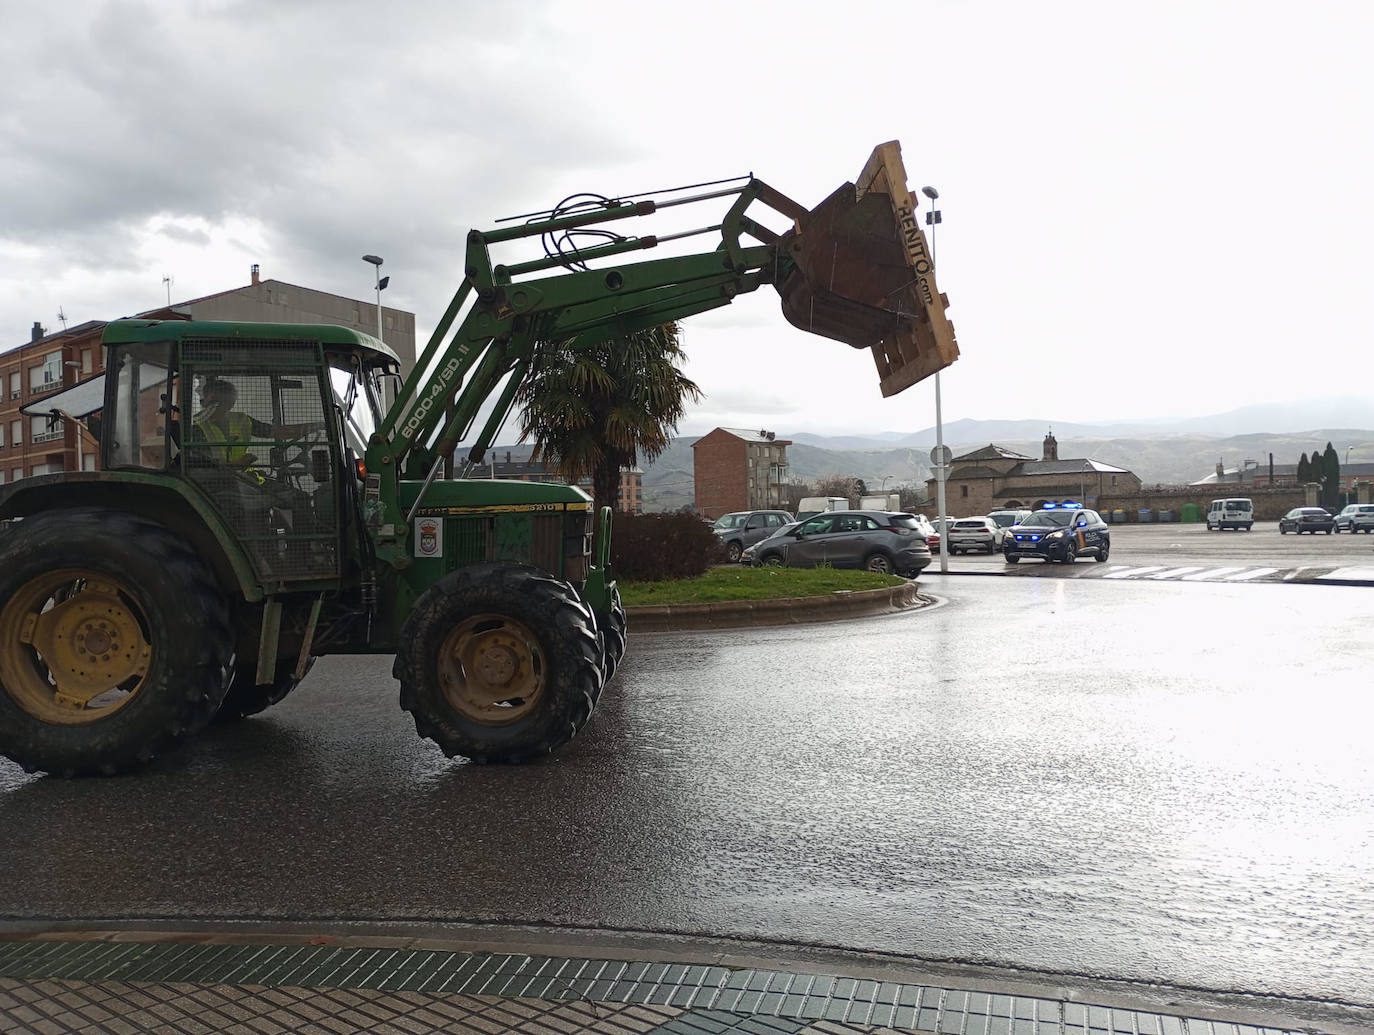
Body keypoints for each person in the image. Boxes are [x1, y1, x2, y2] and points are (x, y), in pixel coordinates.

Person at [192, 379, 322, 477]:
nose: (225, 407)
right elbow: (203, 465)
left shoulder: (242, 420)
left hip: (242, 479)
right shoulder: (196, 428)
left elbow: (279, 432)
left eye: (228, 404)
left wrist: (316, 426)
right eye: (217, 403)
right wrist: (237, 464)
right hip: (215, 485)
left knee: (293, 496)